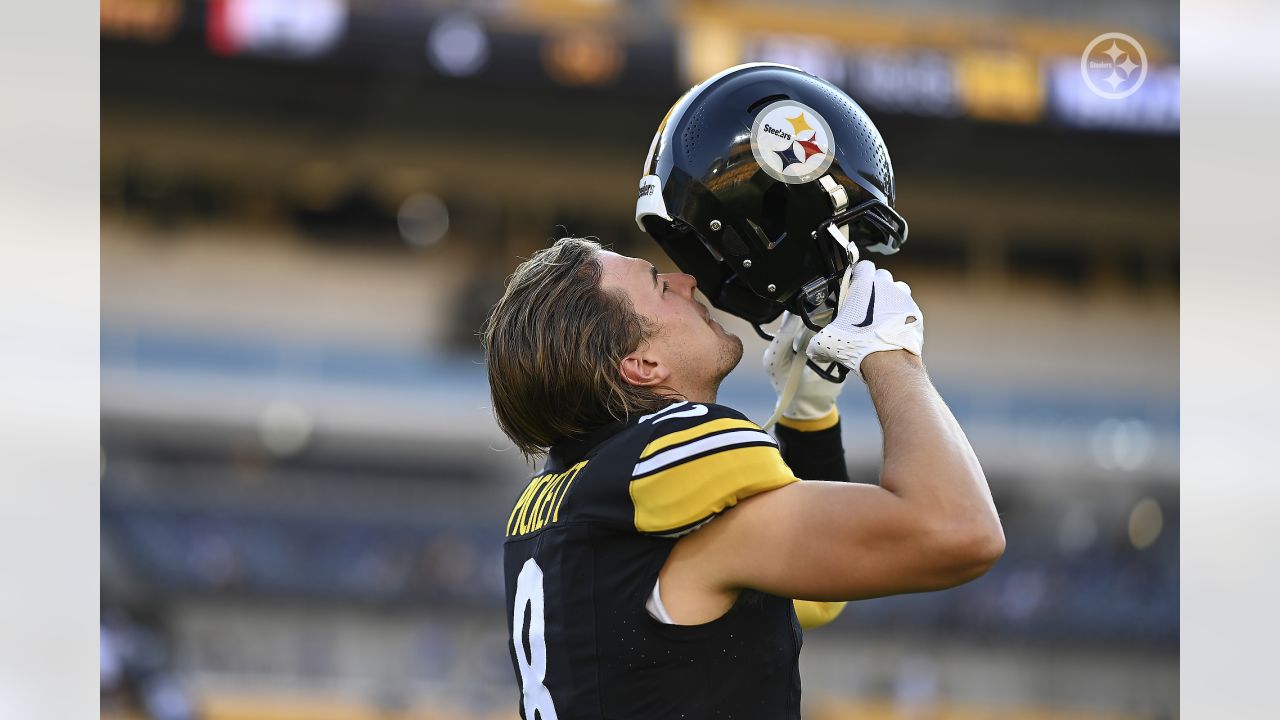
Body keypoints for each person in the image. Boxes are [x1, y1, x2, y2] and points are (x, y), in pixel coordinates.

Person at [485, 64, 1004, 720]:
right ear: (639, 363)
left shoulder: (571, 497)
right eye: (654, 283)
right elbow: (958, 532)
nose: (686, 282)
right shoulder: (669, 461)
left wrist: (807, 418)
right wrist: (892, 354)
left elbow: (813, 590)